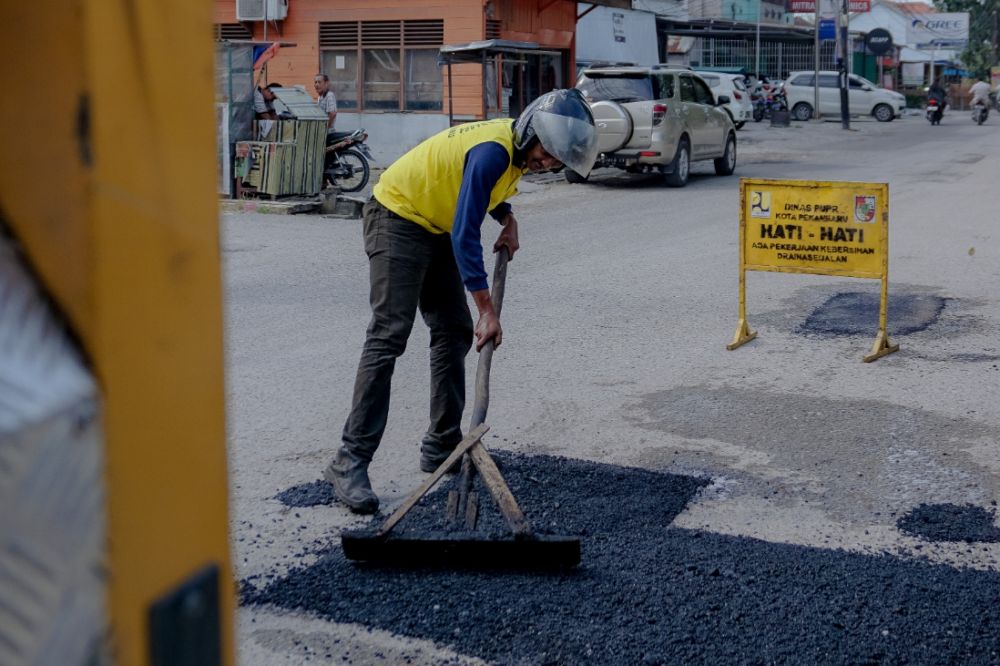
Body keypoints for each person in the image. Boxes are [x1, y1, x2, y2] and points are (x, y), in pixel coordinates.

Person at [324, 89, 599, 514]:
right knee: (389, 335)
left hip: (433, 224)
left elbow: (477, 193)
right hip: (396, 216)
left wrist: (507, 217)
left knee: (452, 331)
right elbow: (465, 234)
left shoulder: (514, 156)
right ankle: (349, 461)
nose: (550, 162)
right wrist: (487, 310)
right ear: (531, 132)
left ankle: (442, 445)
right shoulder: (494, 150)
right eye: (548, 152)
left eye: (559, 159)